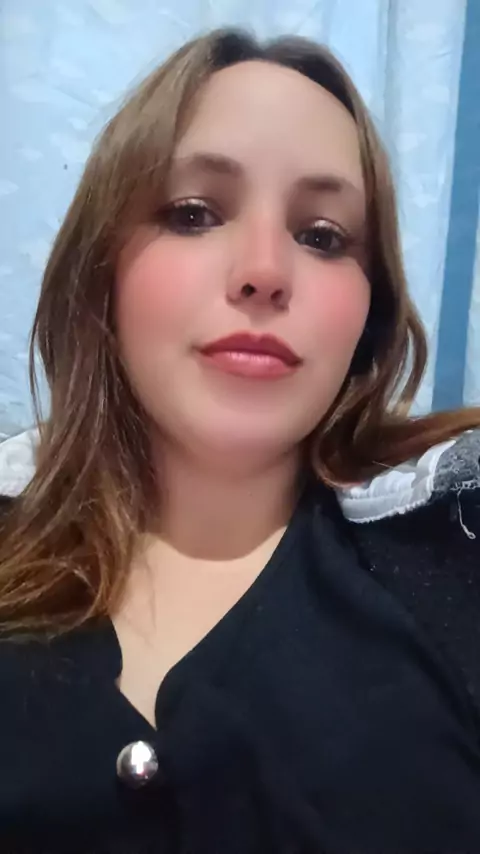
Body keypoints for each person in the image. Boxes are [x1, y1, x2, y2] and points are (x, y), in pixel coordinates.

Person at [0, 26, 479, 854]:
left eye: (322, 235)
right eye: (194, 214)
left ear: (370, 313)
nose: (264, 271)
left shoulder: (458, 546)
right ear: (101, 273)